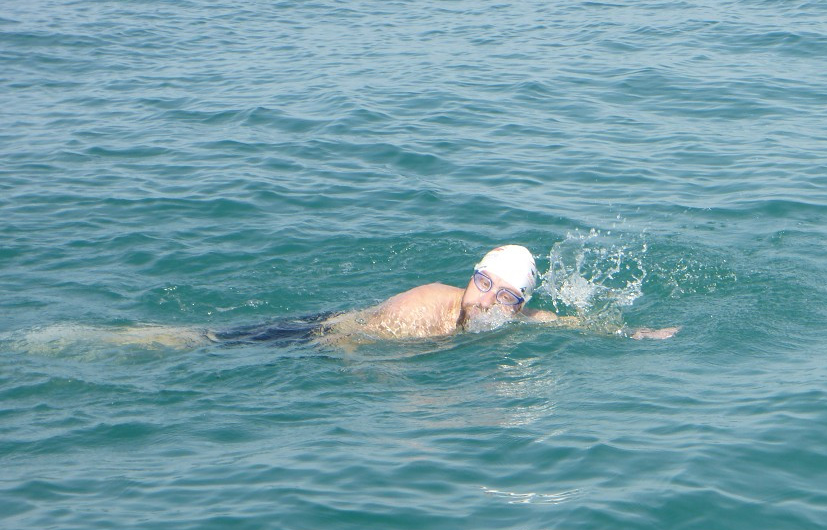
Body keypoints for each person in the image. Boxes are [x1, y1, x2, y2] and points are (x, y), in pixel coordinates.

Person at [108, 245, 678, 348]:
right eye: (484, 285)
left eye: (505, 298)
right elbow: (343, 338)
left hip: (339, 333)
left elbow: (564, 324)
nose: (487, 302)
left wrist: (631, 334)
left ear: (517, 306)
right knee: (209, 343)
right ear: (472, 276)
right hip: (312, 336)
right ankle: (143, 338)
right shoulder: (424, 309)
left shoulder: (510, 319)